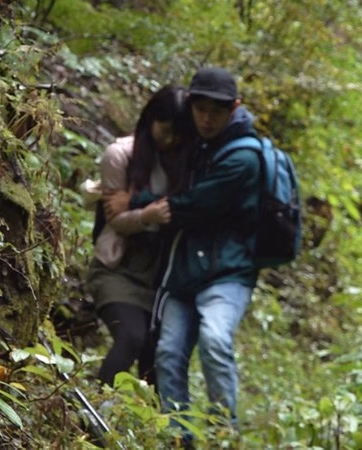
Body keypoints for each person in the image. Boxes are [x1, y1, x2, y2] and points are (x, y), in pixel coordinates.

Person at [104, 67, 261, 438]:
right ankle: (179, 439)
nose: (207, 118)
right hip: (184, 271)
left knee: (215, 339)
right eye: (200, 109)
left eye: (217, 111)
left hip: (226, 272)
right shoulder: (193, 142)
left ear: (234, 108)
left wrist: (137, 201)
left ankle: (225, 435)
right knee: (168, 354)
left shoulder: (242, 157)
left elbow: (194, 203)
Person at [86, 84, 190, 389]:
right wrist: (148, 216)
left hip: (160, 272)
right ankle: (97, 407)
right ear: (150, 119)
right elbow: (115, 220)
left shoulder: (184, 161)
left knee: (157, 354)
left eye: (178, 133)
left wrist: (142, 204)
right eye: (165, 129)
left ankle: (154, 428)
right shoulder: (121, 155)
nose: (170, 139)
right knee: (131, 336)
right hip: (118, 265)